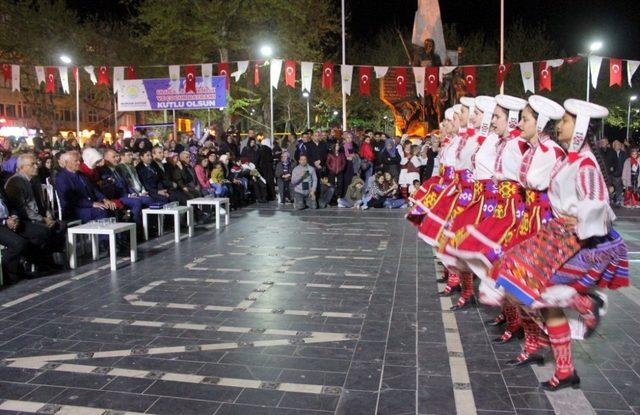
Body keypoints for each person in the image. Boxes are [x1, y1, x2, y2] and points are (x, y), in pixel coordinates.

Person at [487, 99, 628, 391]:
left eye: (565, 121)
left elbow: (597, 204)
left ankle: (584, 309)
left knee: (541, 293)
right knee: (520, 280)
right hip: (558, 234)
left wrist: (580, 224)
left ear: (581, 127)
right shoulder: (568, 158)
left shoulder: (585, 164)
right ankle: (566, 366)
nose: (559, 125)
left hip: (580, 242)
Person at [5, 153, 67, 267]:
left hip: (38, 216)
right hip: (23, 219)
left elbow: (43, 203)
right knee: (42, 231)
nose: (36, 166)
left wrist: (48, 216)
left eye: (36, 163)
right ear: (22, 168)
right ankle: (37, 261)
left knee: (61, 226)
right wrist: (42, 219)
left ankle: (48, 257)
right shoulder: (15, 182)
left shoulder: (35, 180)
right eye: (32, 164)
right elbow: (22, 209)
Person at [54, 151, 118, 222]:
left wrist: (105, 199)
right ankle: (103, 233)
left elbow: (94, 190)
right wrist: (91, 204)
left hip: (88, 205)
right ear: (67, 163)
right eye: (76, 161)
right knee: (100, 211)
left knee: (112, 208)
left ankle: (116, 233)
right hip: (75, 210)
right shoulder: (62, 178)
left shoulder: (82, 175)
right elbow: (71, 199)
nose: (79, 163)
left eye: (79, 160)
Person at [609, 140, 627, 207]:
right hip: (612, 174)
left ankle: (618, 201)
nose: (618, 145)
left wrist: (624, 174)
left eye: (619, 144)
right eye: (616, 144)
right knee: (612, 188)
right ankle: (612, 200)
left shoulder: (623, 153)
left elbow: (626, 164)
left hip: (621, 173)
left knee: (619, 188)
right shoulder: (610, 152)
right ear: (613, 145)